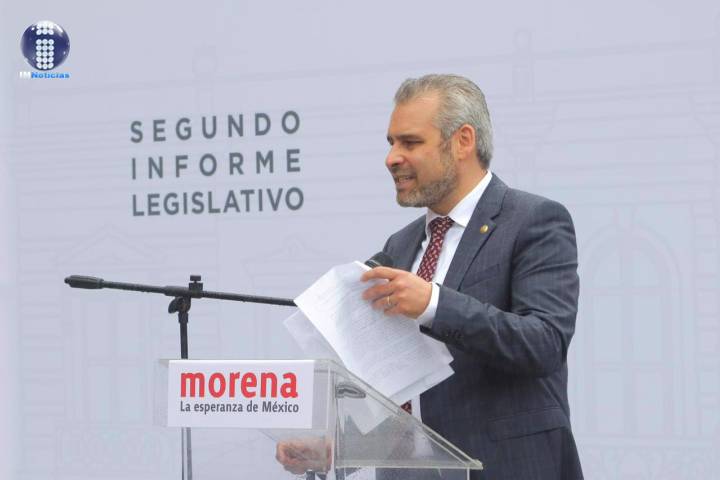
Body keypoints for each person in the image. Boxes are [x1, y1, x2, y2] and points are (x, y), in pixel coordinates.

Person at [360, 74, 583, 480]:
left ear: (463, 141)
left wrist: (433, 303)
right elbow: (396, 377)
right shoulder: (400, 245)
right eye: (391, 143)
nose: (392, 158)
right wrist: (341, 440)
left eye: (410, 143)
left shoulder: (534, 221)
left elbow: (545, 342)